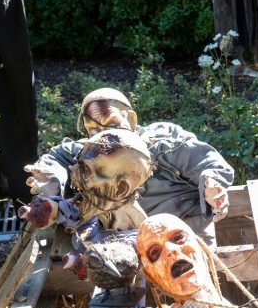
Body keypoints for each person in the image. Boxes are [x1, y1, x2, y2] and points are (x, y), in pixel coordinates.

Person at [25, 88, 233, 238]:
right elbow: (55, 160)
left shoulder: (161, 139)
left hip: (181, 228)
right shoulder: (86, 152)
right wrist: (50, 182)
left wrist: (211, 184)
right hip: (120, 238)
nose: (104, 134)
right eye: (93, 129)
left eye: (112, 123)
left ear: (132, 120)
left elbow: (205, 159)